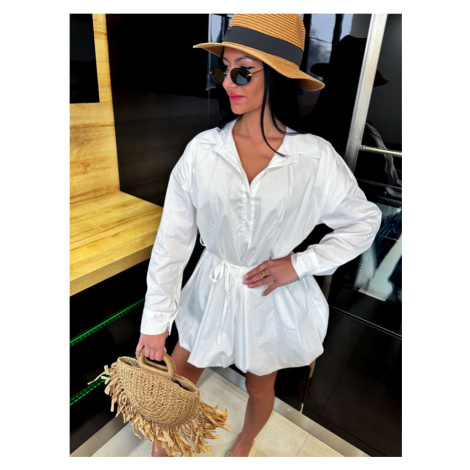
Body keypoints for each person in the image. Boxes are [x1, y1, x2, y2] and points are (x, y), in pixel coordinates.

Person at [135, 14, 382, 457]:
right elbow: (172, 242)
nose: (228, 83)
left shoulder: (314, 158)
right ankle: (163, 449)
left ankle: (246, 440)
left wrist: (300, 264)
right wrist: (155, 323)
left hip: (269, 295)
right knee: (179, 377)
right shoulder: (202, 151)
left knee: (259, 385)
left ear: (279, 77)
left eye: (243, 71)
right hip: (211, 285)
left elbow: (364, 220)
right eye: (224, 70)